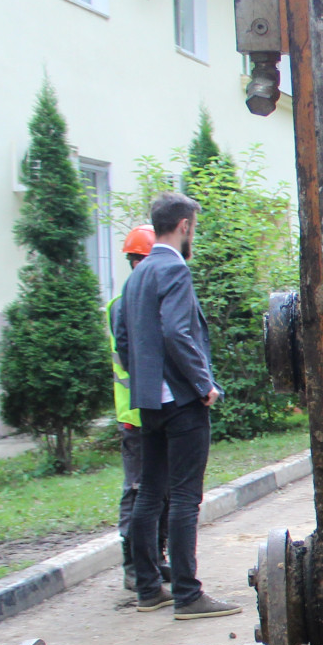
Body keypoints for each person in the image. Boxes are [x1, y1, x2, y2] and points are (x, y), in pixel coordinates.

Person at [113, 192, 240, 619]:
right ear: (184, 225)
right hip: (183, 400)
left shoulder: (137, 276)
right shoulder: (174, 270)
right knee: (186, 497)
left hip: (148, 402)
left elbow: (124, 339)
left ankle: (149, 588)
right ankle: (187, 594)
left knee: (151, 492)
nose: (193, 235)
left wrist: (147, 382)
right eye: (194, 228)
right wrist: (203, 384)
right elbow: (176, 332)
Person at [109, 226, 168, 595]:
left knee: (158, 492)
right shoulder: (125, 304)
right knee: (139, 491)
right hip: (136, 415)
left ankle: (154, 561)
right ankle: (134, 565)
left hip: (152, 410)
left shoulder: (137, 298)